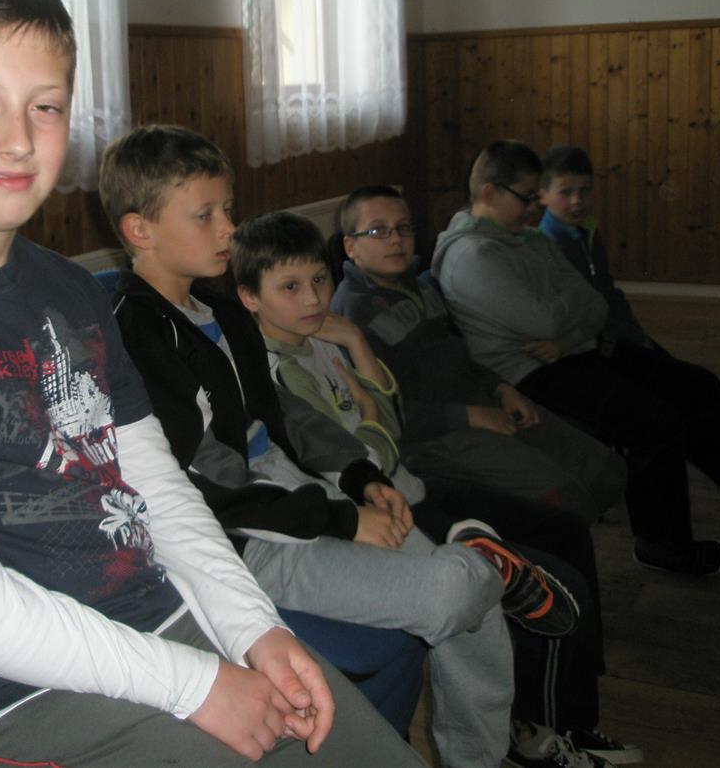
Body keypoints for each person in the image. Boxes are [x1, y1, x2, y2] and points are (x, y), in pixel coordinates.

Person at [0, 0, 425, 768]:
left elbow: (155, 482)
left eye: (46, 106)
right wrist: (196, 685)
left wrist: (252, 628)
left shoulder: (68, 288)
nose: (18, 139)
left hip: (147, 621)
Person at [100, 124, 586, 768]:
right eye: (206, 215)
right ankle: (481, 562)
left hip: (294, 491)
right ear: (140, 230)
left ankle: (476, 757)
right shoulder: (135, 336)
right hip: (243, 538)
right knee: (456, 593)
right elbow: (200, 488)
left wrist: (358, 478)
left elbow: (283, 414)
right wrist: (339, 518)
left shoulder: (219, 307)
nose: (229, 229)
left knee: (475, 610)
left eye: (228, 210)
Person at [233, 210, 642, 766]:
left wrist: (355, 343)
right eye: (290, 286)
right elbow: (364, 454)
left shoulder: (325, 339)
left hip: (404, 483)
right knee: (499, 588)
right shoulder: (273, 371)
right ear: (249, 298)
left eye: (319, 279)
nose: (313, 298)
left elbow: (392, 423)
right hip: (375, 504)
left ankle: (545, 721)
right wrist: (372, 414)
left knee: (562, 534)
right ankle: (520, 728)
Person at [431, 139, 720, 575]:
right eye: (527, 196)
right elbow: (545, 320)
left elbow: (595, 303)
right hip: (529, 374)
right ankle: (661, 544)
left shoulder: (526, 239)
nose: (535, 207)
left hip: (572, 351)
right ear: (490, 192)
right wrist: (566, 316)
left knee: (698, 387)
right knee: (655, 422)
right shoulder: (473, 255)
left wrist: (565, 324)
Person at [329, 186, 626, 525]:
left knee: (606, 469)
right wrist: (470, 416)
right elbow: (384, 414)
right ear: (351, 246)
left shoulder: (420, 287)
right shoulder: (354, 315)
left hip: (480, 402)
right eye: (378, 230)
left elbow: (459, 354)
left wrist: (500, 387)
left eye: (404, 227)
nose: (396, 239)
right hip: (431, 438)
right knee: (563, 495)